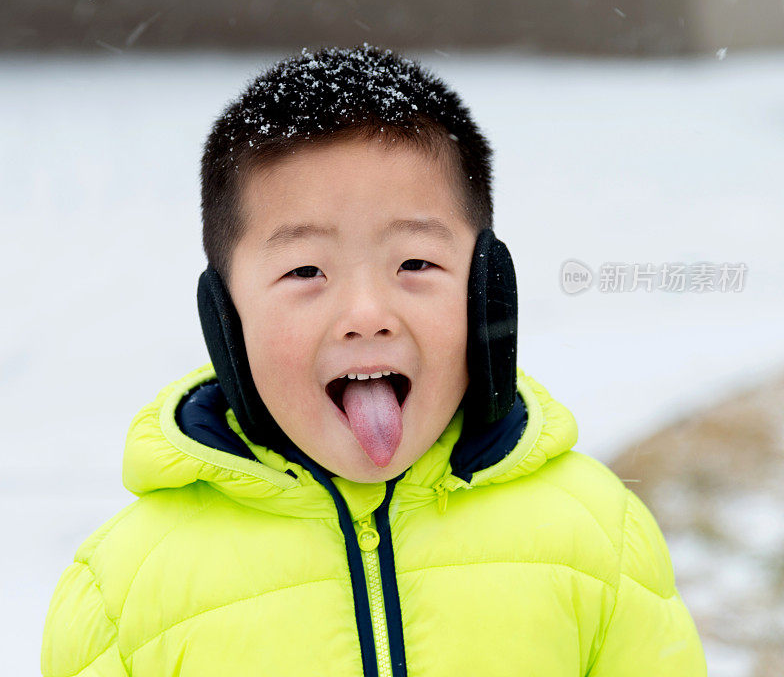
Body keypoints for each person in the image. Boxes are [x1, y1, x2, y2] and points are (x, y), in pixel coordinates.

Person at [41, 43, 707, 676]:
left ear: (486, 291)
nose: (366, 316)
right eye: (305, 271)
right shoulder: (123, 594)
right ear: (227, 320)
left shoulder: (596, 539)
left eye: (415, 262)